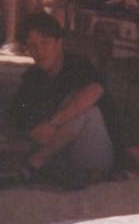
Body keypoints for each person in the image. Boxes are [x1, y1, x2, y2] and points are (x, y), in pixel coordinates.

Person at [8, 12, 118, 188]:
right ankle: (44, 168)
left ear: (59, 43)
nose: (39, 51)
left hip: (95, 154)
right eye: (33, 45)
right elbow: (16, 118)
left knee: (81, 107)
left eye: (45, 43)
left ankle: (34, 164)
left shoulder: (78, 65)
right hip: (60, 154)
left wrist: (54, 122)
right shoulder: (32, 78)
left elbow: (95, 91)